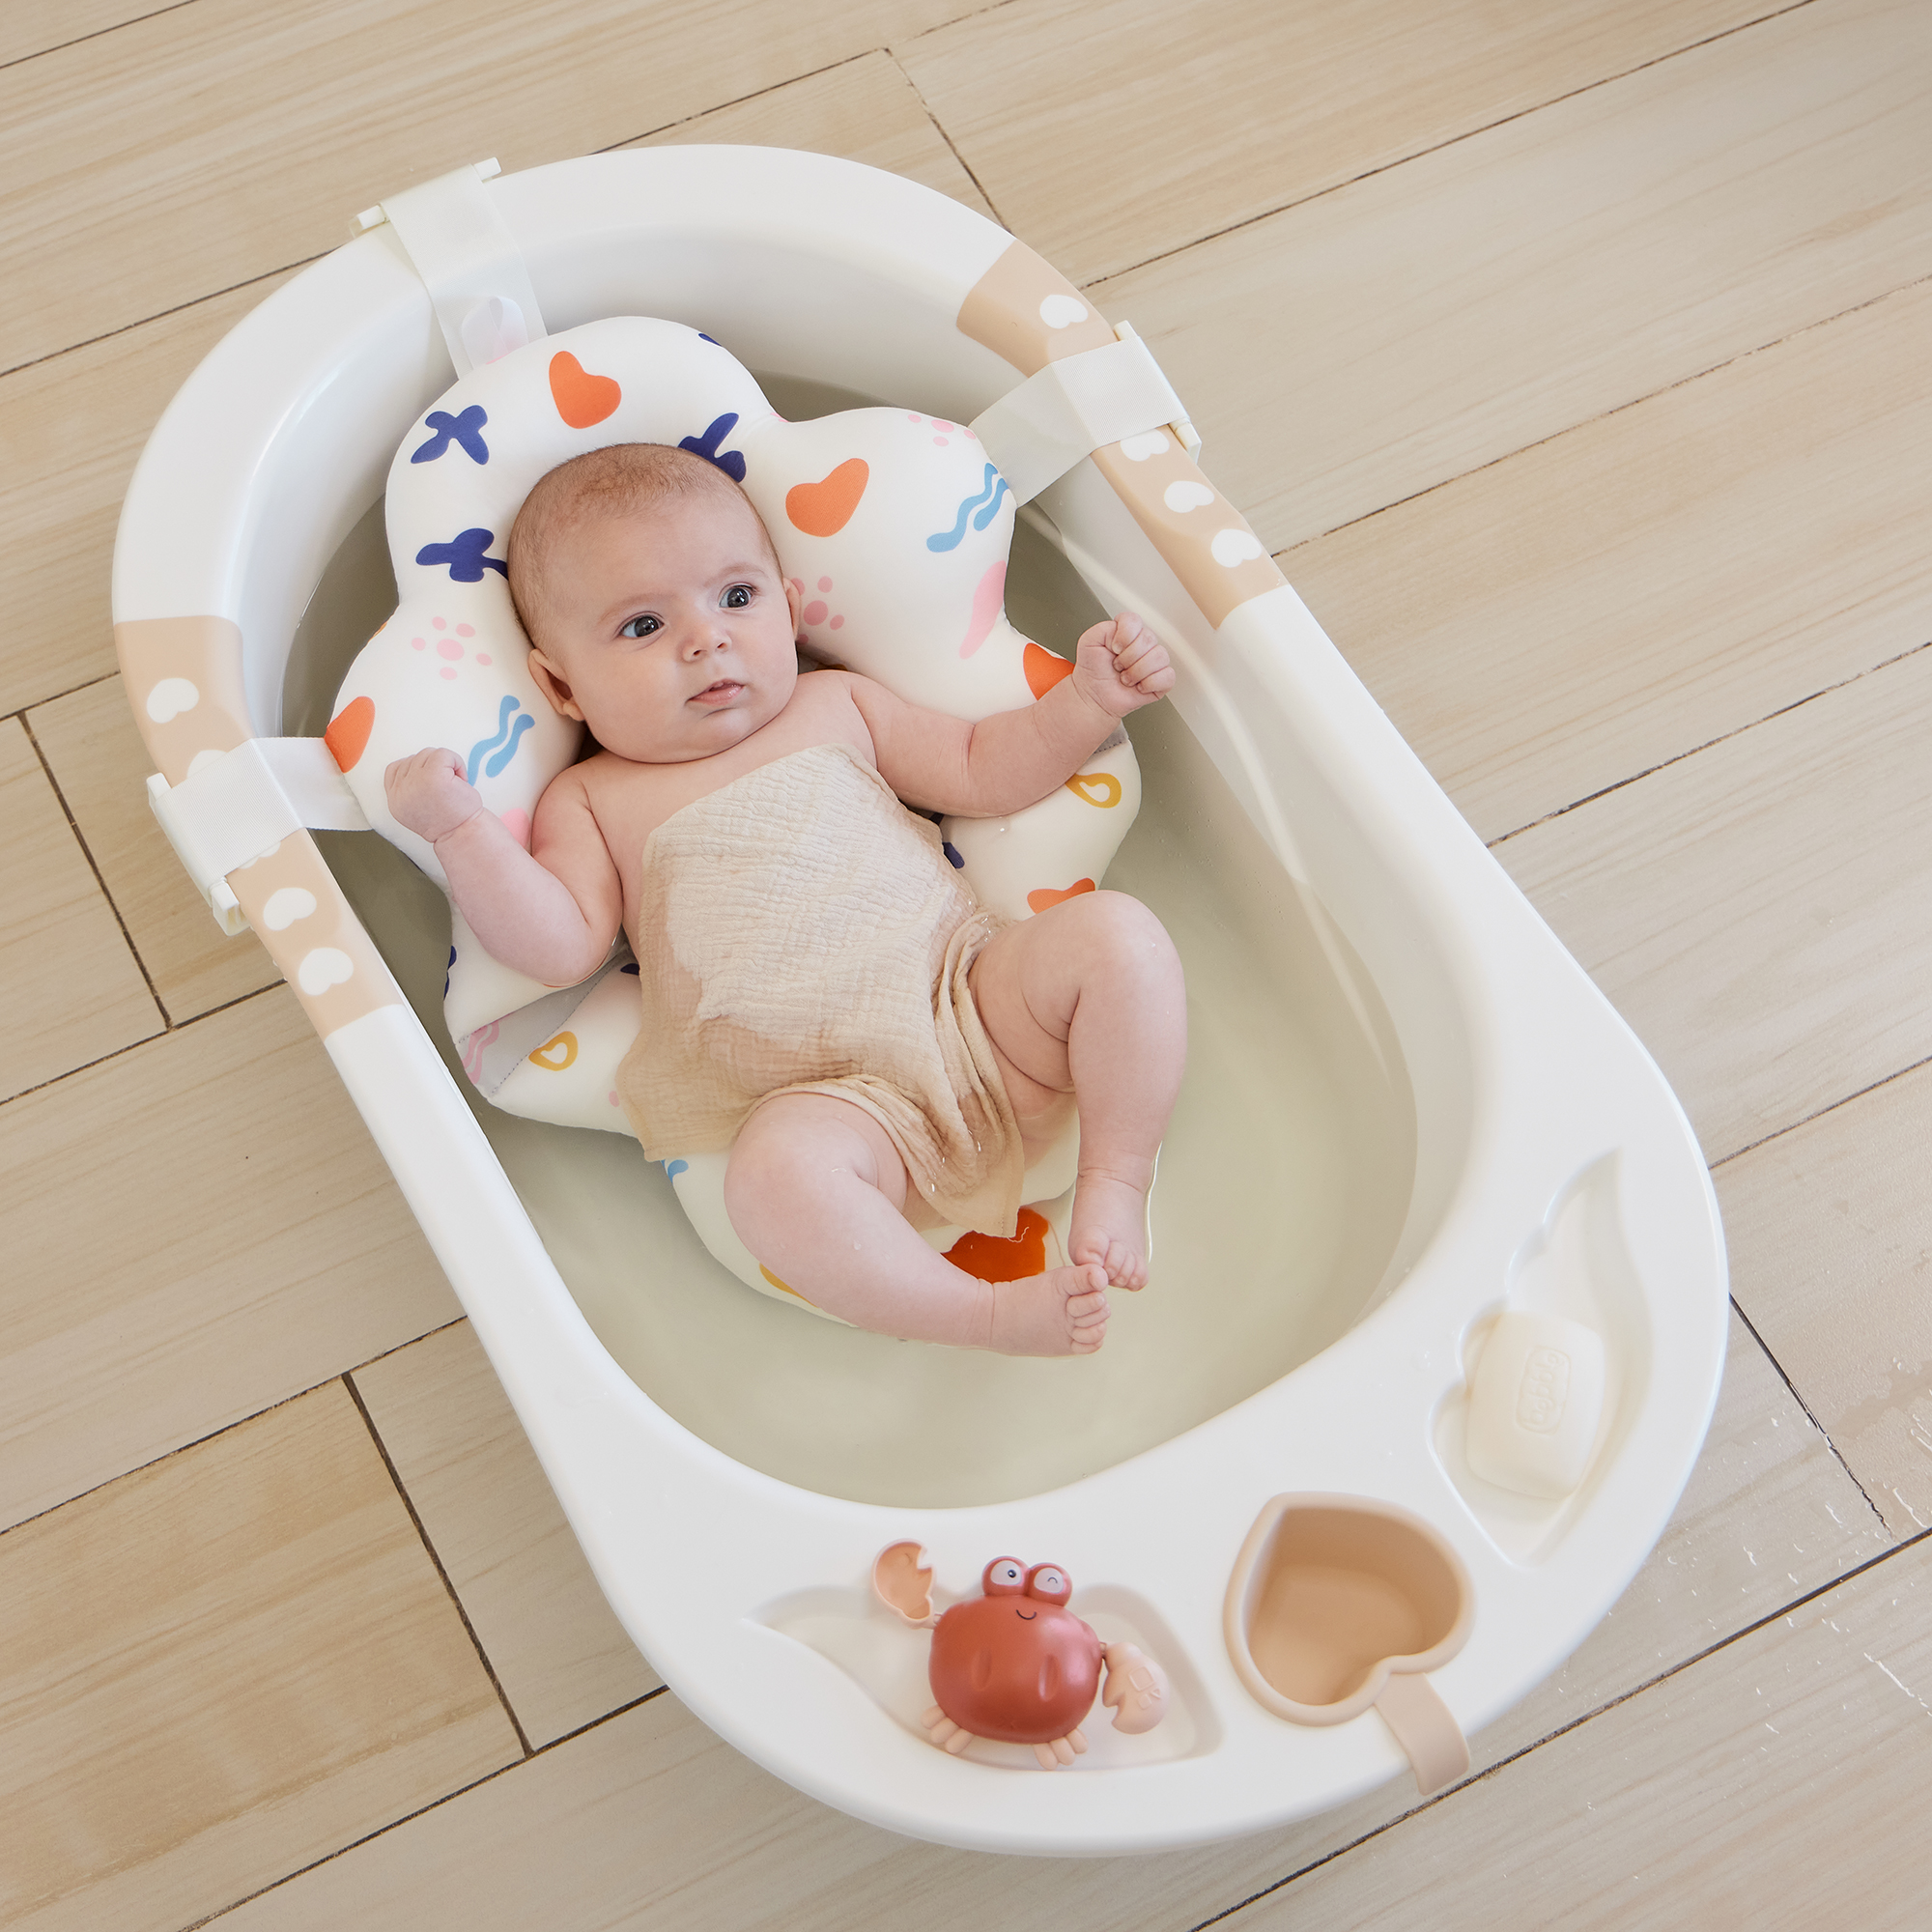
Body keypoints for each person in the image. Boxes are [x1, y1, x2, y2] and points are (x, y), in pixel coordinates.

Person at [386, 442, 1186, 1356]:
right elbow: (559, 946)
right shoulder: (592, 800)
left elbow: (982, 768)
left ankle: (1117, 1179)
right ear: (563, 685)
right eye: (643, 626)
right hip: (832, 1111)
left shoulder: (836, 704)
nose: (706, 640)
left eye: (736, 597)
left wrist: (1087, 700)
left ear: (790, 607)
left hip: (976, 1008)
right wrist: (461, 832)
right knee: (770, 1182)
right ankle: (984, 1314)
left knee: (1117, 937)